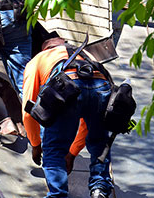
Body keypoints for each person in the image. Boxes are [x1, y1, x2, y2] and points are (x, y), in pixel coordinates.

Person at [22, 36, 114, 198]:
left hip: (66, 85)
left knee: (54, 148)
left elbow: (29, 110)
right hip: (101, 85)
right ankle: (99, 189)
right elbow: (87, 127)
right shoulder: (86, 55)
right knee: (99, 143)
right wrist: (72, 153)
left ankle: (57, 195)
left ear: (45, 48)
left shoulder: (38, 59)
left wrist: (36, 144)